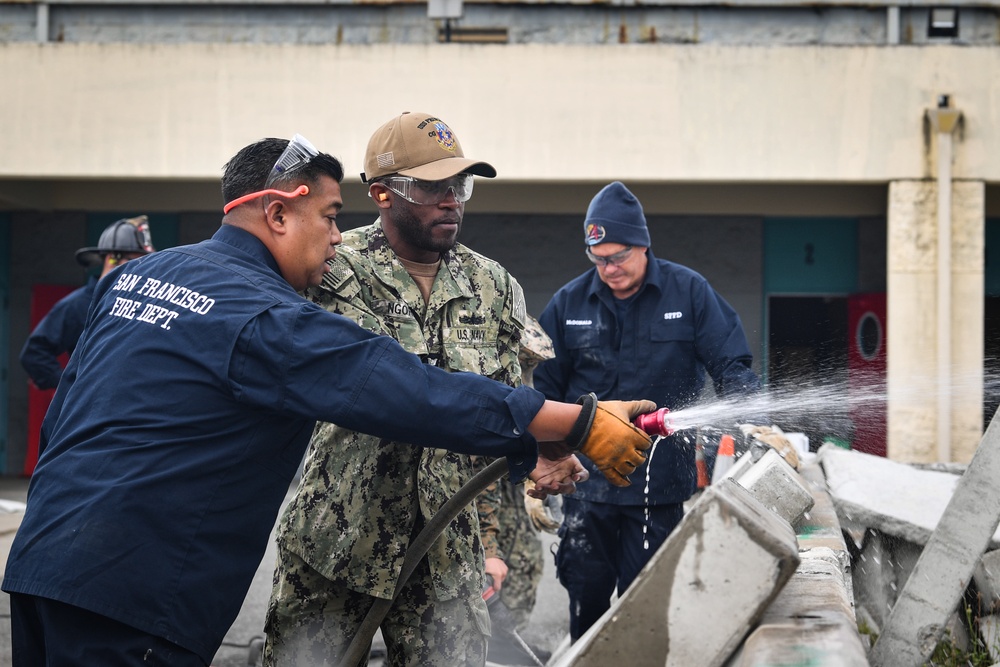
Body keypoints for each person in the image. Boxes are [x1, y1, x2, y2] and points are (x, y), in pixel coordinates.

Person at [1, 139, 655, 667]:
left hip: (43, 567)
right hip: (136, 598)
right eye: (330, 215)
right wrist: (580, 420)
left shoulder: (145, 275)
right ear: (279, 212)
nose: (338, 236)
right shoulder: (266, 313)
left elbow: (62, 419)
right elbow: (401, 388)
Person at [264, 112, 580, 667]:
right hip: (337, 540)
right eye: (432, 187)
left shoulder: (494, 286)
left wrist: (542, 453)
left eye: (460, 186)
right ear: (383, 193)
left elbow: (505, 407)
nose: (451, 200)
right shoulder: (330, 267)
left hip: (447, 552)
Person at [533, 181, 762, 642]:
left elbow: (731, 364)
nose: (608, 269)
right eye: (598, 259)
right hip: (586, 488)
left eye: (618, 257)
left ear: (642, 245)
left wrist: (748, 413)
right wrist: (540, 460)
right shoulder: (569, 304)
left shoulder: (689, 293)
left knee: (650, 608)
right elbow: (545, 390)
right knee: (587, 601)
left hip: (659, 489)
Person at [19, 215, 155, 389]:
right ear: (112, 258)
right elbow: (35, 353)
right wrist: (72, 389)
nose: (142, 269)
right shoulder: (78, 304)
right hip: (92, 409)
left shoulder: (145, 303)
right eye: (135, 260)